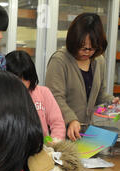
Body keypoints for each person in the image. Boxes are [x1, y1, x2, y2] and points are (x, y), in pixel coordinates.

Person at [45, 13, 119, 141]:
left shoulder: (99, 61)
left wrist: (112, 102)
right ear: (74, 41)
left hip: (87, 133)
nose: (87, 52)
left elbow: (99, 95)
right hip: (62, 133)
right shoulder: (59, 60)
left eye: (92, 48)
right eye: (83, 48)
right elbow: (55, 98)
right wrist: (71, 119)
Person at [6, 50, 66, 141]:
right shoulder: (1, 97)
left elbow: (57, 123)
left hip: (41, 149)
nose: (22, 84)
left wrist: (55, 143)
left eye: (26, 79)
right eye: (17, 79)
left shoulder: (43, 92)